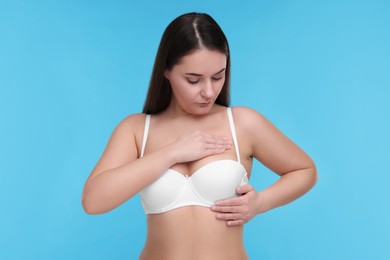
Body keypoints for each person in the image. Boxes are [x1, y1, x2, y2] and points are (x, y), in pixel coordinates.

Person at [81, 12, 318, 260]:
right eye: (193, 80)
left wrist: (260, 203)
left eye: (218, 77)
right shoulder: (137, 129)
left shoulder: (242, 123)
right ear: (166, 71)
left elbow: (305, 170)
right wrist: (172, 152)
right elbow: (93, 201)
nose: (208, 91)